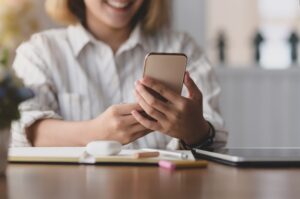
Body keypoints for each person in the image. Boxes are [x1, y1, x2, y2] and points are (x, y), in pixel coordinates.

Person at [11, 0, 227, 150]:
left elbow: (215, 139)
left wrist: (195, 130)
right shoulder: (40, 51)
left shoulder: (182, 46)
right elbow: (20, 130)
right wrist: (93, 133)